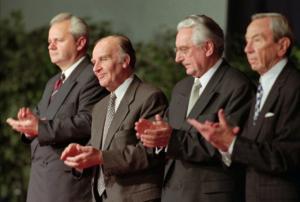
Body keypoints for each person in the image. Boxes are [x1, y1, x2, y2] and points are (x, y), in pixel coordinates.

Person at [135, 15, 254, 202]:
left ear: (208, 47)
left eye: (183, 50)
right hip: (172, 194)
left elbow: (227, 146)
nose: (177, 58)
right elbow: (169, 135)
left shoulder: (237, 86)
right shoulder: (181, 88)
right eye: (177, 50)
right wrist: (154, 137)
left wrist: (170, 139)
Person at [188, 13, 300, 202]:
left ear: (282, 46)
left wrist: (232, 143)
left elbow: (289, 156)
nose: (247, 49)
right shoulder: (262, 87)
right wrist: (225, 145)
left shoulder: (294, 86)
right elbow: (255, 151)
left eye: (256, 40)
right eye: (247, 41)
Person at [6, 13, 108, 202]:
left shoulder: (92, 76)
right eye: (49, 42)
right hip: (41, 182)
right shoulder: (53, 82)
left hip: (67, 185)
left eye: (58, 40)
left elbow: (89, 121)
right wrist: (28, 127)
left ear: (80, 43)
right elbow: (40, 121)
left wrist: (40, 127)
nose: (50, 46)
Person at [60, 35, 168, 202]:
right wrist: (81, 155)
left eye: (103, 59)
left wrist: (101, 157)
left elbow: (150, 152)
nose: (96, 68)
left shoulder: (150, 97)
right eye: (94, 62)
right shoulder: (100, 107)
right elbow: (98, 148)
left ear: (125, 61)